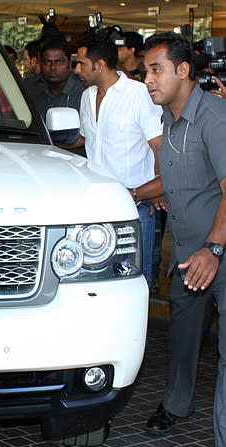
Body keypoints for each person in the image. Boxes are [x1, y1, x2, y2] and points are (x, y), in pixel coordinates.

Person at [140, 32, 226, 447]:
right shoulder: (169, 118)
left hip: (218, 254)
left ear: (184, 71)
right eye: (145, 71)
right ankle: (175, 405)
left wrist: (213, 249)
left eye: (156, 70)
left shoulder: (214, 116)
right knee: (183, 336)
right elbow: (182, 178)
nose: (148, 80)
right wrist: (137, 192)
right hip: (191, 258)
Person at [72, 32, 163, 287]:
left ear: (99, 65)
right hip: (94, 205)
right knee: (96, 277)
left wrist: (157, 187)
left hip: (135, 205)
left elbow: (159, 144)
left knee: (134, 277)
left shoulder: (138, 94)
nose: (77, 69)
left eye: (81, 63)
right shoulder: (87, 96)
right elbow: (84, 138)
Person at [24, 37, 85, 155]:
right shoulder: (28, 87)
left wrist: (49, 145)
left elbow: (87, 138)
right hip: (34, 157)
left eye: (59, 61)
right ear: (39, 63)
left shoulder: (83, 91)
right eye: (47, 62)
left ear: (69, 64)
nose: (52, 68)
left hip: (74, 160)